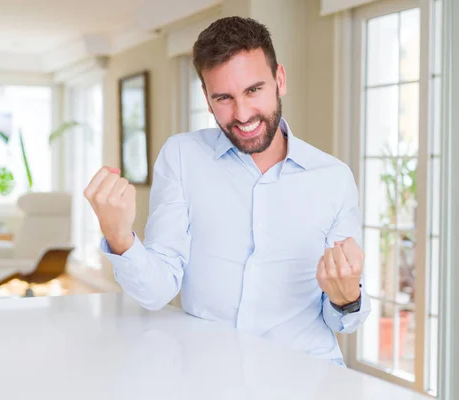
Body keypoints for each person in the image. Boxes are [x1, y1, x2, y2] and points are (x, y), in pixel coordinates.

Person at [84, 16, 370, 366]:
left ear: (279, 80)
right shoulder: (181, 157)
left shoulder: (333, 178)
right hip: (212, 373)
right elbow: (157, 291)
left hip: (306, 373)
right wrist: (117, 235)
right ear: (206, 98)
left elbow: (344, 320)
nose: (242, 113)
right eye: (224, 98)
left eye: (254, 90)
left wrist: (346, 297)